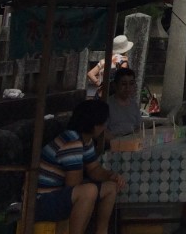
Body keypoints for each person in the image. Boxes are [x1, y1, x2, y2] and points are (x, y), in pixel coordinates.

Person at [35, 98, 126, 233]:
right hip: (43, 200)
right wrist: (93, 185)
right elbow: (74, 184)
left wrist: (110, 175)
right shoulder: (72, 141)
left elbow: (94, 169)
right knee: (89, 191)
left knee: (111, 187)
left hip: (60, 195)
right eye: (103, 123)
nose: (104, 127)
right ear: (95, 125)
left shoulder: (86, 140)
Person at [104, 67, 142, 140]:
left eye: (131, 84)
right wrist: (117, 143)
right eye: (124, 84)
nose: (128, 88)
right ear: (115, 85)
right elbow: (102, 131)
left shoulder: (133, 104)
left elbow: (138, 126)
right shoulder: (106, 105)